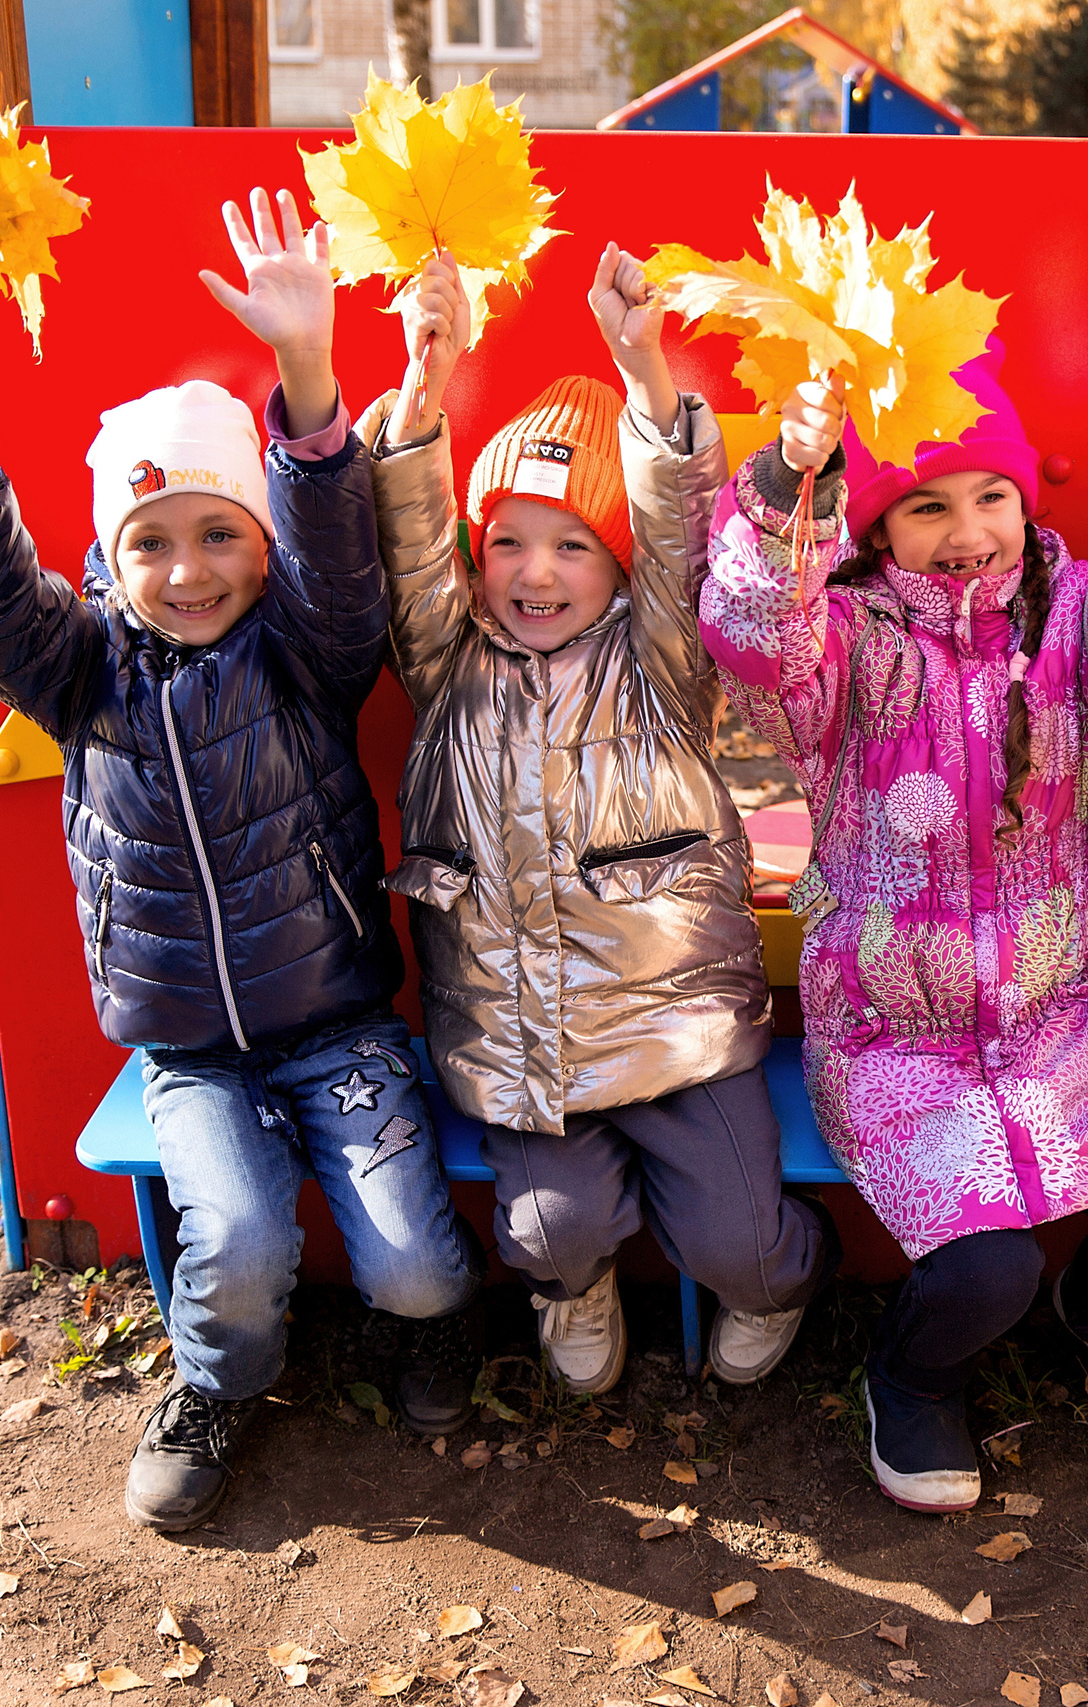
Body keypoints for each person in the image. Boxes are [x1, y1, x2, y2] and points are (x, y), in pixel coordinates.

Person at [0, 190, 483, 1532]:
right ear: (110, 559)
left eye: (221, 533)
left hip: (339, 1024)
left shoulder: (305, 651)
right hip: (187, 1045)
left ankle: (434, 1330)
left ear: (262, 548)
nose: (187, 568)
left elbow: (342, 560)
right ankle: (219, 1382)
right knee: (236, 1251)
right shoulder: (82, 669)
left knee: (408, 1260)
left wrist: (307, 371)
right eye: (150, 542)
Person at [698, 231, 1088, 1514]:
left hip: (1066, 1019)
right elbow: (750, 629)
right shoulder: (845, 639)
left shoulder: (1075, 612)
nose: (965, 532)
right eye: (926, 505)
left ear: (1023, 498)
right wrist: (792, 471)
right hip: (895, 1031)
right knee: (978, 1270)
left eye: (989, 496)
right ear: (879, 522)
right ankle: (912, 1381)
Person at [365, 243, 831, 1395]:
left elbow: (681, 531)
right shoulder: (447, 658)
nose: (536, 571)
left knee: (740, 1246)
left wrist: (643, 370)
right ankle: (577, 1291)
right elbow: (409, 547)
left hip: (677, 1030)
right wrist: (423, 387)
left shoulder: (661, 662)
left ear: (617, 570)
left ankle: (779, 1284)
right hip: (521, 1040)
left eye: (574, 543)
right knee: (547, 1234)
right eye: (509, 541)